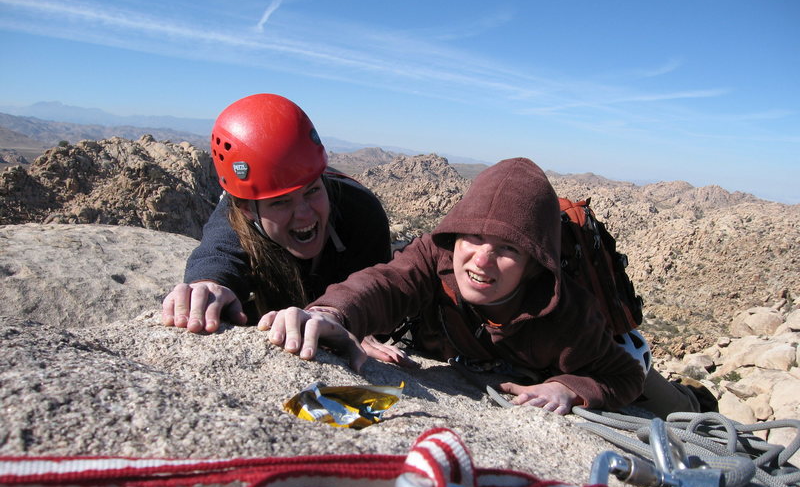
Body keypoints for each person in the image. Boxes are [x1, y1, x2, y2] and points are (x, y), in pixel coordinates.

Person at [259, 157, 649, 414]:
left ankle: (694, 396)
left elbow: (625, 375)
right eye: (473, 238)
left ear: (533, 263)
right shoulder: (434, 255)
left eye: (508, 247)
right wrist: (332, 313)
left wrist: (568, 387)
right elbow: (385, 284)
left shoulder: (566, 315)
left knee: (662, 398)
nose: (481, 260)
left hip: (619, 350)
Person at [161, 93, 413, 366]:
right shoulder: (238, 215)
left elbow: (372, 285)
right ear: (247, 209)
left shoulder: (360, 211)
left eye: (313, 190)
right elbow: (219, 253)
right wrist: (207, 284)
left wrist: (357, 321)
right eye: (281, 202)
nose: (304, 213)